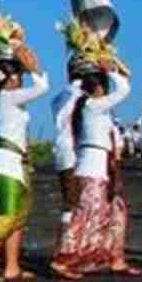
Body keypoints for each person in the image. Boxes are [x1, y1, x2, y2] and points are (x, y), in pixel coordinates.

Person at [51, 65, 140, 278]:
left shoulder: (93, 109)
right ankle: (64, 258)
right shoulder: (93, 106)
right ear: (99, 88)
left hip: (101, 165)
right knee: (86, 214)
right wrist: (109, 69)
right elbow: (124, 89)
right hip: (93, 167)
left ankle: (115, 258)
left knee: (115, 211)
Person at [0, 47, 49, 282]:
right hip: (5, 163)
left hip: (9, 161)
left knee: (17, 215)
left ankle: (12, 266)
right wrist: (35, 69)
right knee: (7, 214)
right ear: (11, 78)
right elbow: (42, 88)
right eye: (20, 75)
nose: (22, 79)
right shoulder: (8, 96)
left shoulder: (2, 98)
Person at [50, 72, 85, 244]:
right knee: (77, 200)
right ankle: (69, 244)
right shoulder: (80, 96)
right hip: (75, 149)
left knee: (69, 199)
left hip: (61, 148)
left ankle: (66, 242)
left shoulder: (59, 97)